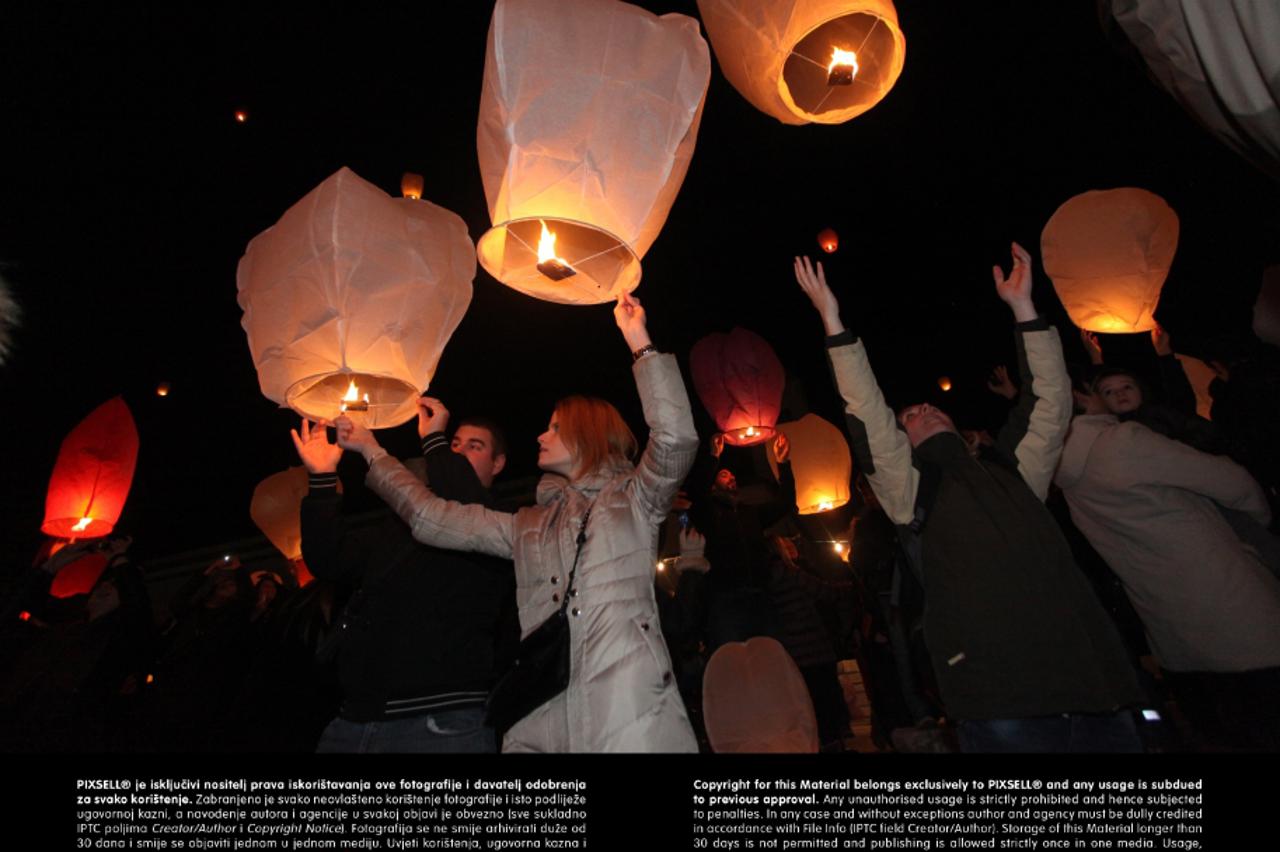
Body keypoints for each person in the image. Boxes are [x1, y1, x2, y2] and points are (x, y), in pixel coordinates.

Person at [793, 247, 1144, 753]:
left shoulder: (1014, 469)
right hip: (1002, 701)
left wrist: (1024, 309)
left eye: (927, 406)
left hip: (1098, 688)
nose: (924, 407)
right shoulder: (911, 492)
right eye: (909, 416)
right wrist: (832, 320)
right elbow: (867, 412)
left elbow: (1050, 402)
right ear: (901, 443)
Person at [334, 293, 699, 753]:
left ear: (586, 434)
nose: (541, 435)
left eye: (555, 427)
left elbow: (675, 439)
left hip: (630, 713)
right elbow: (431, 517)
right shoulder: (527, 525)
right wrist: (371, 451)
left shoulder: (634, 500)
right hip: (541, 719)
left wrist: (638, 341)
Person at [1055, 393, 1280, 749]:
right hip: (1232, 603)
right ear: (1082, 396)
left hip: (1172, 628)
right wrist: (1260, 527)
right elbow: (1232, 482)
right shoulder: (1122, 441)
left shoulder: (1061, 472)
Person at [292, 398, 516, 754]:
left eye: (474, 447)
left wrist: (434, 440)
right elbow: (330, 559)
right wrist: (322, 479)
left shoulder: (504, 521)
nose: (457, 453)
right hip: (355, 721)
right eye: (454, 444)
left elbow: (462, 506)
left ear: (498, 463)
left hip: (442, 723)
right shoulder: (400, 524)